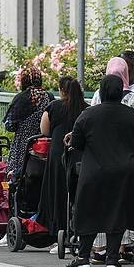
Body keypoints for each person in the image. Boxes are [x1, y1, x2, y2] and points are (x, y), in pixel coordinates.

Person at [65, 75, 134, 267]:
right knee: (117, 212)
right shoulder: (133, 116)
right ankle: (112, 259)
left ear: (101, 92)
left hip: (94, 172)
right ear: (121, 92)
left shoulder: (87, 115)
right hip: (125, 172)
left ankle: (83, 257)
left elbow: (77, 143)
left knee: (88, 211)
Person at [37, 76, 88, 242]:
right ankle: (78, 230)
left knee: (58, 192)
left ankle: (59, 231)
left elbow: (44, 130)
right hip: (81, 156)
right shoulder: (86, 109)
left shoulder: (54, 107)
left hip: (58, 155)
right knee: (78, 193)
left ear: (61, 91)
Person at [3, 67, 54, 176]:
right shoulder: (49, 97)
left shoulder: (21, 98)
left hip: (22, 145)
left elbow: (9, 125)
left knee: (19, 177)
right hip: (43, 145)